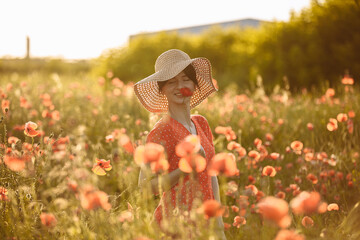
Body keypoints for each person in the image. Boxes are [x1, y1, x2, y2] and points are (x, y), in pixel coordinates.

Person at [134, 49, 226, 240]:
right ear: (163, 89)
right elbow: (144, 187)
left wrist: (218, 227)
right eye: (171, 82)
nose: (180, 86)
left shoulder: (201, 123)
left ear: (194, 84)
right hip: (174, 228)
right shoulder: (161, 131)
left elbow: (212, 176)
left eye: (185, 79)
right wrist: (185, 170)